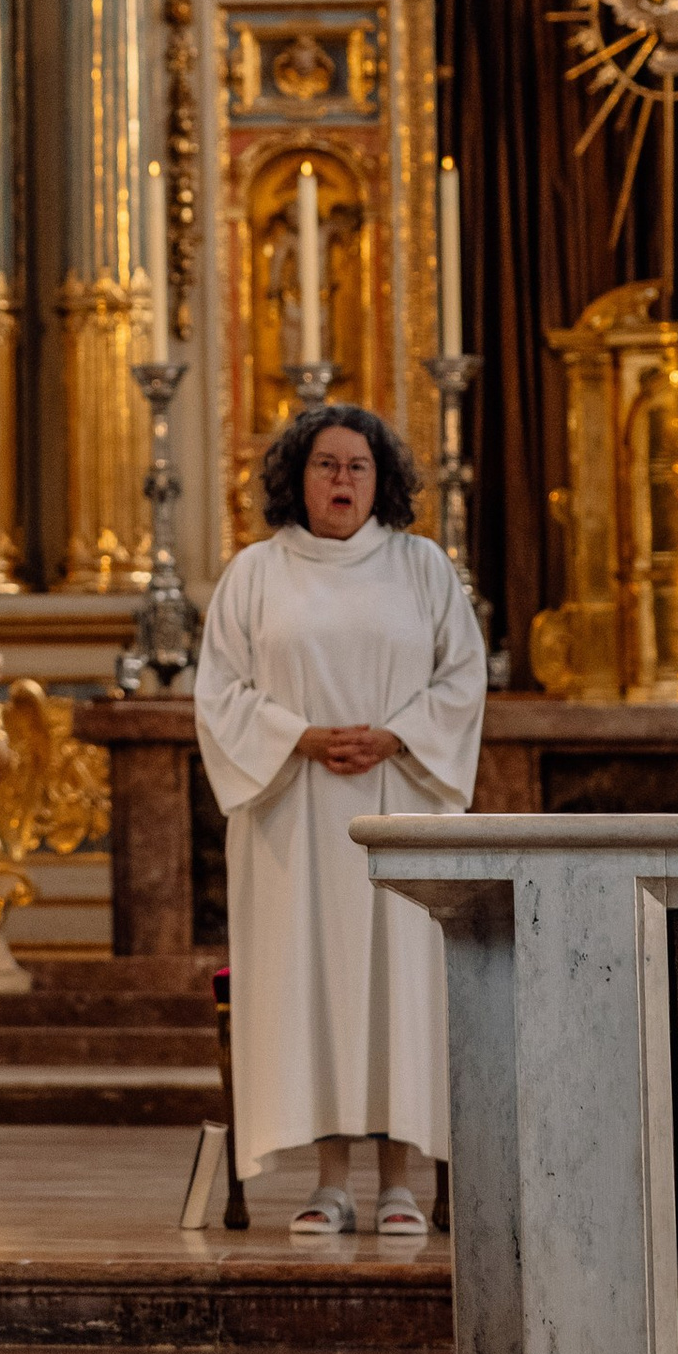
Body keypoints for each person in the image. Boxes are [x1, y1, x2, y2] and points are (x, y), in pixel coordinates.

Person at [194, 406, 486, 1237]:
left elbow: (462, 677)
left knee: (398, 986)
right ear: (298, 477)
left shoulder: (420, 566)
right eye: (327, 466)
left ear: (382, 480)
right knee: (313, 986)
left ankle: (398, 1182)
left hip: (401, 803)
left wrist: (396, 733)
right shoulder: (256, 573)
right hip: (294, 815)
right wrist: (300, 737)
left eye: (358, 467)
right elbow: (219, 694)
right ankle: (331, 1183)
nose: (342, 482)